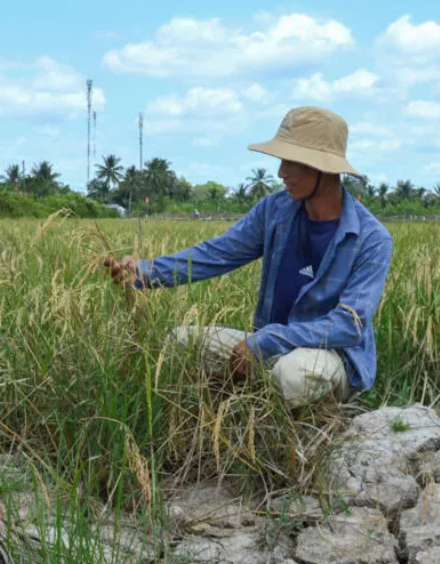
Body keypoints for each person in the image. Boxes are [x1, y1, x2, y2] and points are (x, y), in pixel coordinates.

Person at [103, 106, 393, 408]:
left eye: (293, 162)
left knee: (294, 374)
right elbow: (217, 253)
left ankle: (322, 420)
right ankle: (239, 410)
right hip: (267, 348)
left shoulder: (371, 239)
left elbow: (348, 325)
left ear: (324, 169)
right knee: (180, 343)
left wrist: (265, 342)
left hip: (327, 357)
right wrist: (146, 272)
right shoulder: (275, 211)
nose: (282, 172)